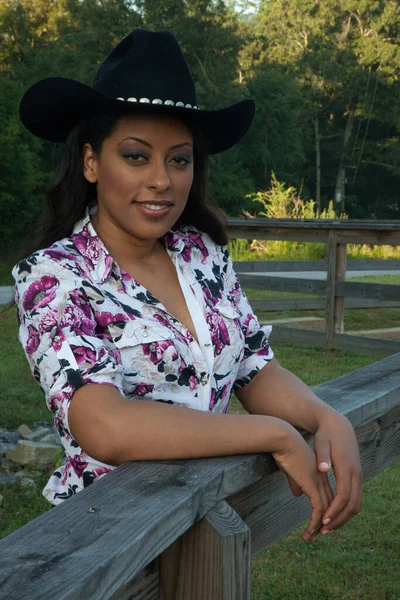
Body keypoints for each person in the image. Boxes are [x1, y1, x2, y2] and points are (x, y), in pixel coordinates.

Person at [13, 29, 361, 546]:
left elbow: (252, 367)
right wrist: (273, 434)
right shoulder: (54, 277)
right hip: (107, 539)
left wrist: (326, 417)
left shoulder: (200, 255)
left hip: (205, 522)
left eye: (179, 159)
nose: (162, 180)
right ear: (91, 162)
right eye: (136, 156)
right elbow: (105, 427)